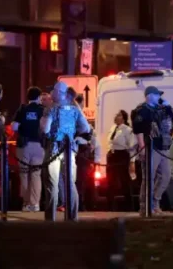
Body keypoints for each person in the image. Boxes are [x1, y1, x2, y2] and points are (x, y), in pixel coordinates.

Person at [40, 81, 94, 219]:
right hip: (69, 149)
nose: (51, 93)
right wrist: (73, 136)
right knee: (70, 183)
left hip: (53, 148)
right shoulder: (74, 109)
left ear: (58, 93)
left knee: (52, 184)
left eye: (53, 91)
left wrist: (42, 123)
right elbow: (85, 128)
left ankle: (50, 219)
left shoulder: (51, 109)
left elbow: (45, 129)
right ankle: (72, 217)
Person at [132, 86, 173, 216]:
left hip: (163, 147)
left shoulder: (160, 109)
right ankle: (145, 206)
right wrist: (142, 147)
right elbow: (138, 130)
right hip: (150, 147)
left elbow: (171, 120)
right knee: (149, 178)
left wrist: (168, 107)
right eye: (157, 95)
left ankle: (155, 202)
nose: (159, 98)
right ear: (150, 96)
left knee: (165, 176)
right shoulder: (142, 110)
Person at [11, 86, 46, 212]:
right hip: (39, 146)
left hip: (24, 146)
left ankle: (26, 203)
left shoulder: (22, 109)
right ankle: (35, 203)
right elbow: (45, 128)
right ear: (39, 97)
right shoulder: (42, 110)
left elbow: (14, 127)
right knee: (36, 175)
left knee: (24, 175)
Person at [106, 109, 136, 212]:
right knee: (110, 181)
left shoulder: (127, 130)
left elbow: (132, 146)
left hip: (122, 155)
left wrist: (132, 161)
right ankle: (110, 206)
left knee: (124, 181)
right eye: (116, 115)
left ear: (123, 118)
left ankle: (129, 205)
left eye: (118, 115)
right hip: (112, 155)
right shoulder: (113, 128)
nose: (116, 117)